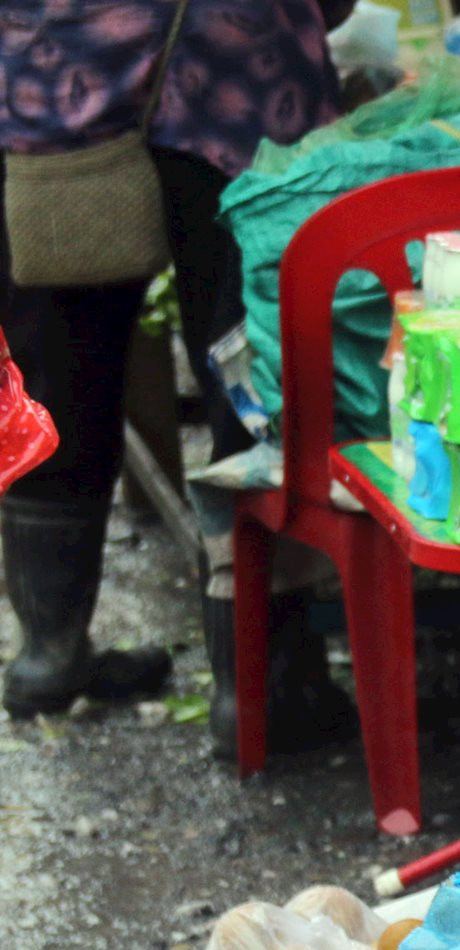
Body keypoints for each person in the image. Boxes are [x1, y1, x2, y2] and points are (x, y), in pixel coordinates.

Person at [0, 0, 355, 740]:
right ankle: (263, 684)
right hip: (241, 77)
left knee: (57, 363)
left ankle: (49, 652)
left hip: (63, 73)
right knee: (250, 370)